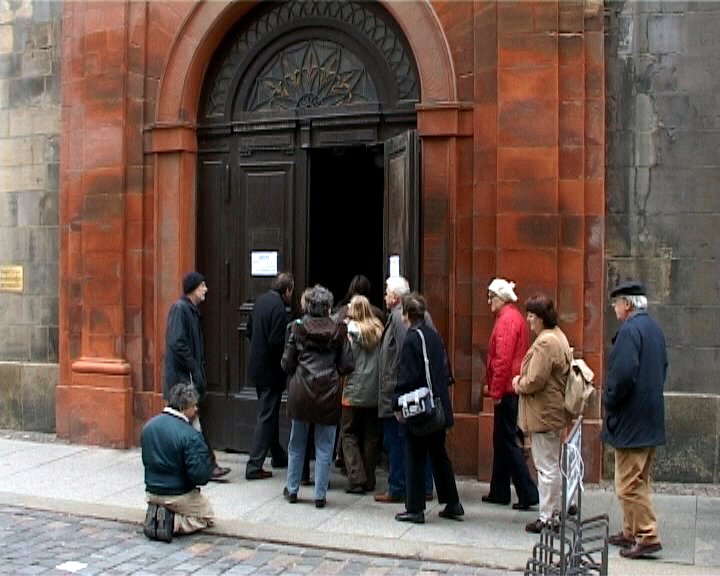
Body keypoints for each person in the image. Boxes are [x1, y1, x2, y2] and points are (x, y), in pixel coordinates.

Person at [602, 280, 667, 559]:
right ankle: (631, 530)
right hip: (649, 416)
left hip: (632, 419)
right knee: (638, 478)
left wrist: (610, 398)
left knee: (628, 483)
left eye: (616, 303)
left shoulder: (630, 330)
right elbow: (662, 367)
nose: (614, 308)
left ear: (627, 304)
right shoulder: (652, 328)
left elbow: (624, 374)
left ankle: (647, 533)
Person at [392, 292, 463, 524]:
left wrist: (397, 403)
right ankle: (453, 502)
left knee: (414, 455)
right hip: (439, 406)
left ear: (407, 314)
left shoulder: (412, 338)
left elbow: (408, 376)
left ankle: (414, 508)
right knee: (439, 454)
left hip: (421, 409)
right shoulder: (432, 335)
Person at [281, 285, 354, 508]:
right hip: (328, 393)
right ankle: (320, 495)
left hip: (301, 391)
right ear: (328, 307)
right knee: (325, 446)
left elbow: (286, 363)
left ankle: (292, 489)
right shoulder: (339, 330)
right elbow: (347, 365)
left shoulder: (296, 328)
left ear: (308, 306)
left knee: (297, 443)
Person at [512, 293, 571, 534]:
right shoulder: (558, 335)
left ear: (541, 318)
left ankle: (548, 517)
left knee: (546, 466)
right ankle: (553, 512)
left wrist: (518, 383)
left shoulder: (546, 342)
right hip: (552, 411)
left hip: (545, 412)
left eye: (532, 315)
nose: (528, 320)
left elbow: (536, 378)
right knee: (550, 464)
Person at [164, 271, 230, 480]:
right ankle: (208, 465)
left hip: (187, 378)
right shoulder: (181, 309)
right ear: (193, 288)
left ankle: (204, 464)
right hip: (183, 380)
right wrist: (193, 367)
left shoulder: (189, 310)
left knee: (190, 422)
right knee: (192, 422)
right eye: (202, 285)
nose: (206, 289)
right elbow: (177, 343)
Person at [375, 276, 433, 503]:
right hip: (416, 390)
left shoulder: (401, 317)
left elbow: (404, 354)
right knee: (421, 439)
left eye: (388, 292)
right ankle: (425, 486)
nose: (385, 296)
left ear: (396, 297)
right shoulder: (421, 313)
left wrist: (400, 392)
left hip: (399, 390)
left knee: (396, 440)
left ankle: (398, 486)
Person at [482, 278, 539, 510]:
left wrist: (495, 390)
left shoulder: (506, 320)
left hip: (506, 389)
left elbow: (502, 360)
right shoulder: (512, 317)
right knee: (502, 439)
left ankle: (527, 492)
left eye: (492, 297)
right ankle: (500, 489)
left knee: (506, 440)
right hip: (510, 388)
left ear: (501, 298)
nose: (489, 302)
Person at [141, 383, 215, 542]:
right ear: (184, 406)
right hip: (177, 494)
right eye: (194, 406)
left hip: (151, 491)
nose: (196, 410)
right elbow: (200, 476)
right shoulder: (190, 434)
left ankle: (158, 513)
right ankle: (171, 522)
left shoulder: (148, 427)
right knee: (207, 516)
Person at [245, 272, 295, 480]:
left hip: (256, 367)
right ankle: (254, 465)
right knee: (267, 415)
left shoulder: (260, 302)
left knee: (269, 412)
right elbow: (277, 341)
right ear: (287, 291)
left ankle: (278, 455)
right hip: (271, 371)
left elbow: (249, 329)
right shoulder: (279, 309)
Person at [341, 295, 383, 493]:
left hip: (353, 390)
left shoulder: (348, 333)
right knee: (371, 436)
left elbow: (344, 361)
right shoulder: (379, 331)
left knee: (348, 433)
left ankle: (357, 477)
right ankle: (370, 479)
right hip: (374, 391)